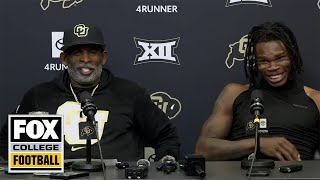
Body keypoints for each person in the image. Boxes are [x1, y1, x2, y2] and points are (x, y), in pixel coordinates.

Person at [0, 23, 180, 161]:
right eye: (77, 52)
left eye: (93, 52)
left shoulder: (130, 93)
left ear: (104, 57)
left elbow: (166, 136)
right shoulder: (39, 95)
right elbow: (5, 142)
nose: (85, 59)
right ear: (64, 58)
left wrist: (163, 165)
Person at [195, 22, 320, 161]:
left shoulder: (316, 99)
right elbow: (203, 149)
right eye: (264, 61)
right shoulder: (234, 93)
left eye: (280, 58)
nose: (273, 67)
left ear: (292, 56)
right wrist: (257, 144)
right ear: (255, 63)